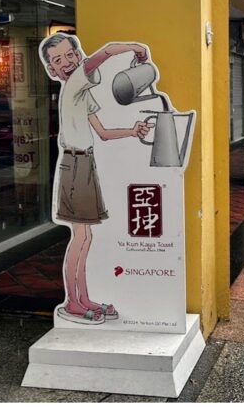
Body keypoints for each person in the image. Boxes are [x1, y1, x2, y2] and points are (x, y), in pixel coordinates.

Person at [40, 33, 152, 324]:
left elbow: (102, 133)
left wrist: (131, 130)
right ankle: (73, 302)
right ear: (51, 70)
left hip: (84, 162)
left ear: (77, 55)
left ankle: (83, 298)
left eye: (70, 55)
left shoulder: (80, 90)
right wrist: (137, 47)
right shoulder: (76, 81)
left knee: (86, 236)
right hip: (75, 165)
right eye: (57, 60)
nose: (66, 62)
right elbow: (107, 50)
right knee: (80, 237)